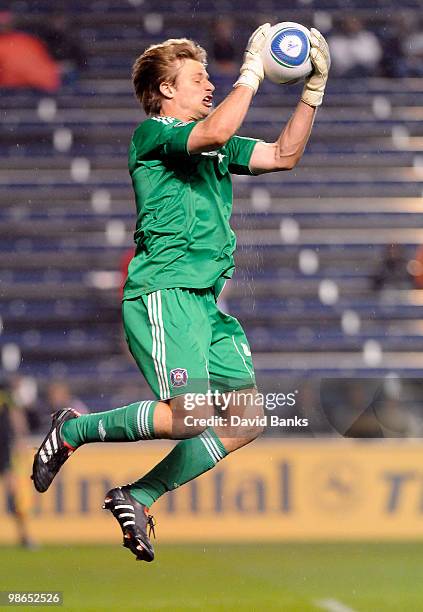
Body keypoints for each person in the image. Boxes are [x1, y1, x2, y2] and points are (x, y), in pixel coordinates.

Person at [32, 24, 330, 562]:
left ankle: (138, 494)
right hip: (164, 292)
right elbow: (214, 133)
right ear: (166, 91)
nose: (210, 86)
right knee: (189, 416)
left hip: (204, 303)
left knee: (246, 419)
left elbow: (285, 154)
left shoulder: (214, 145)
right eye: (198, 79)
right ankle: (75, 429)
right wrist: (253, 73)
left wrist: (313, 92)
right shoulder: (153, 135)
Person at [0, 381, 34, 548]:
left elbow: (16, 415)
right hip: (4, 449)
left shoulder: (5, 392)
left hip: (4, 450)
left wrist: (21, 439)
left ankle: (24, 536)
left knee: (15, 495)